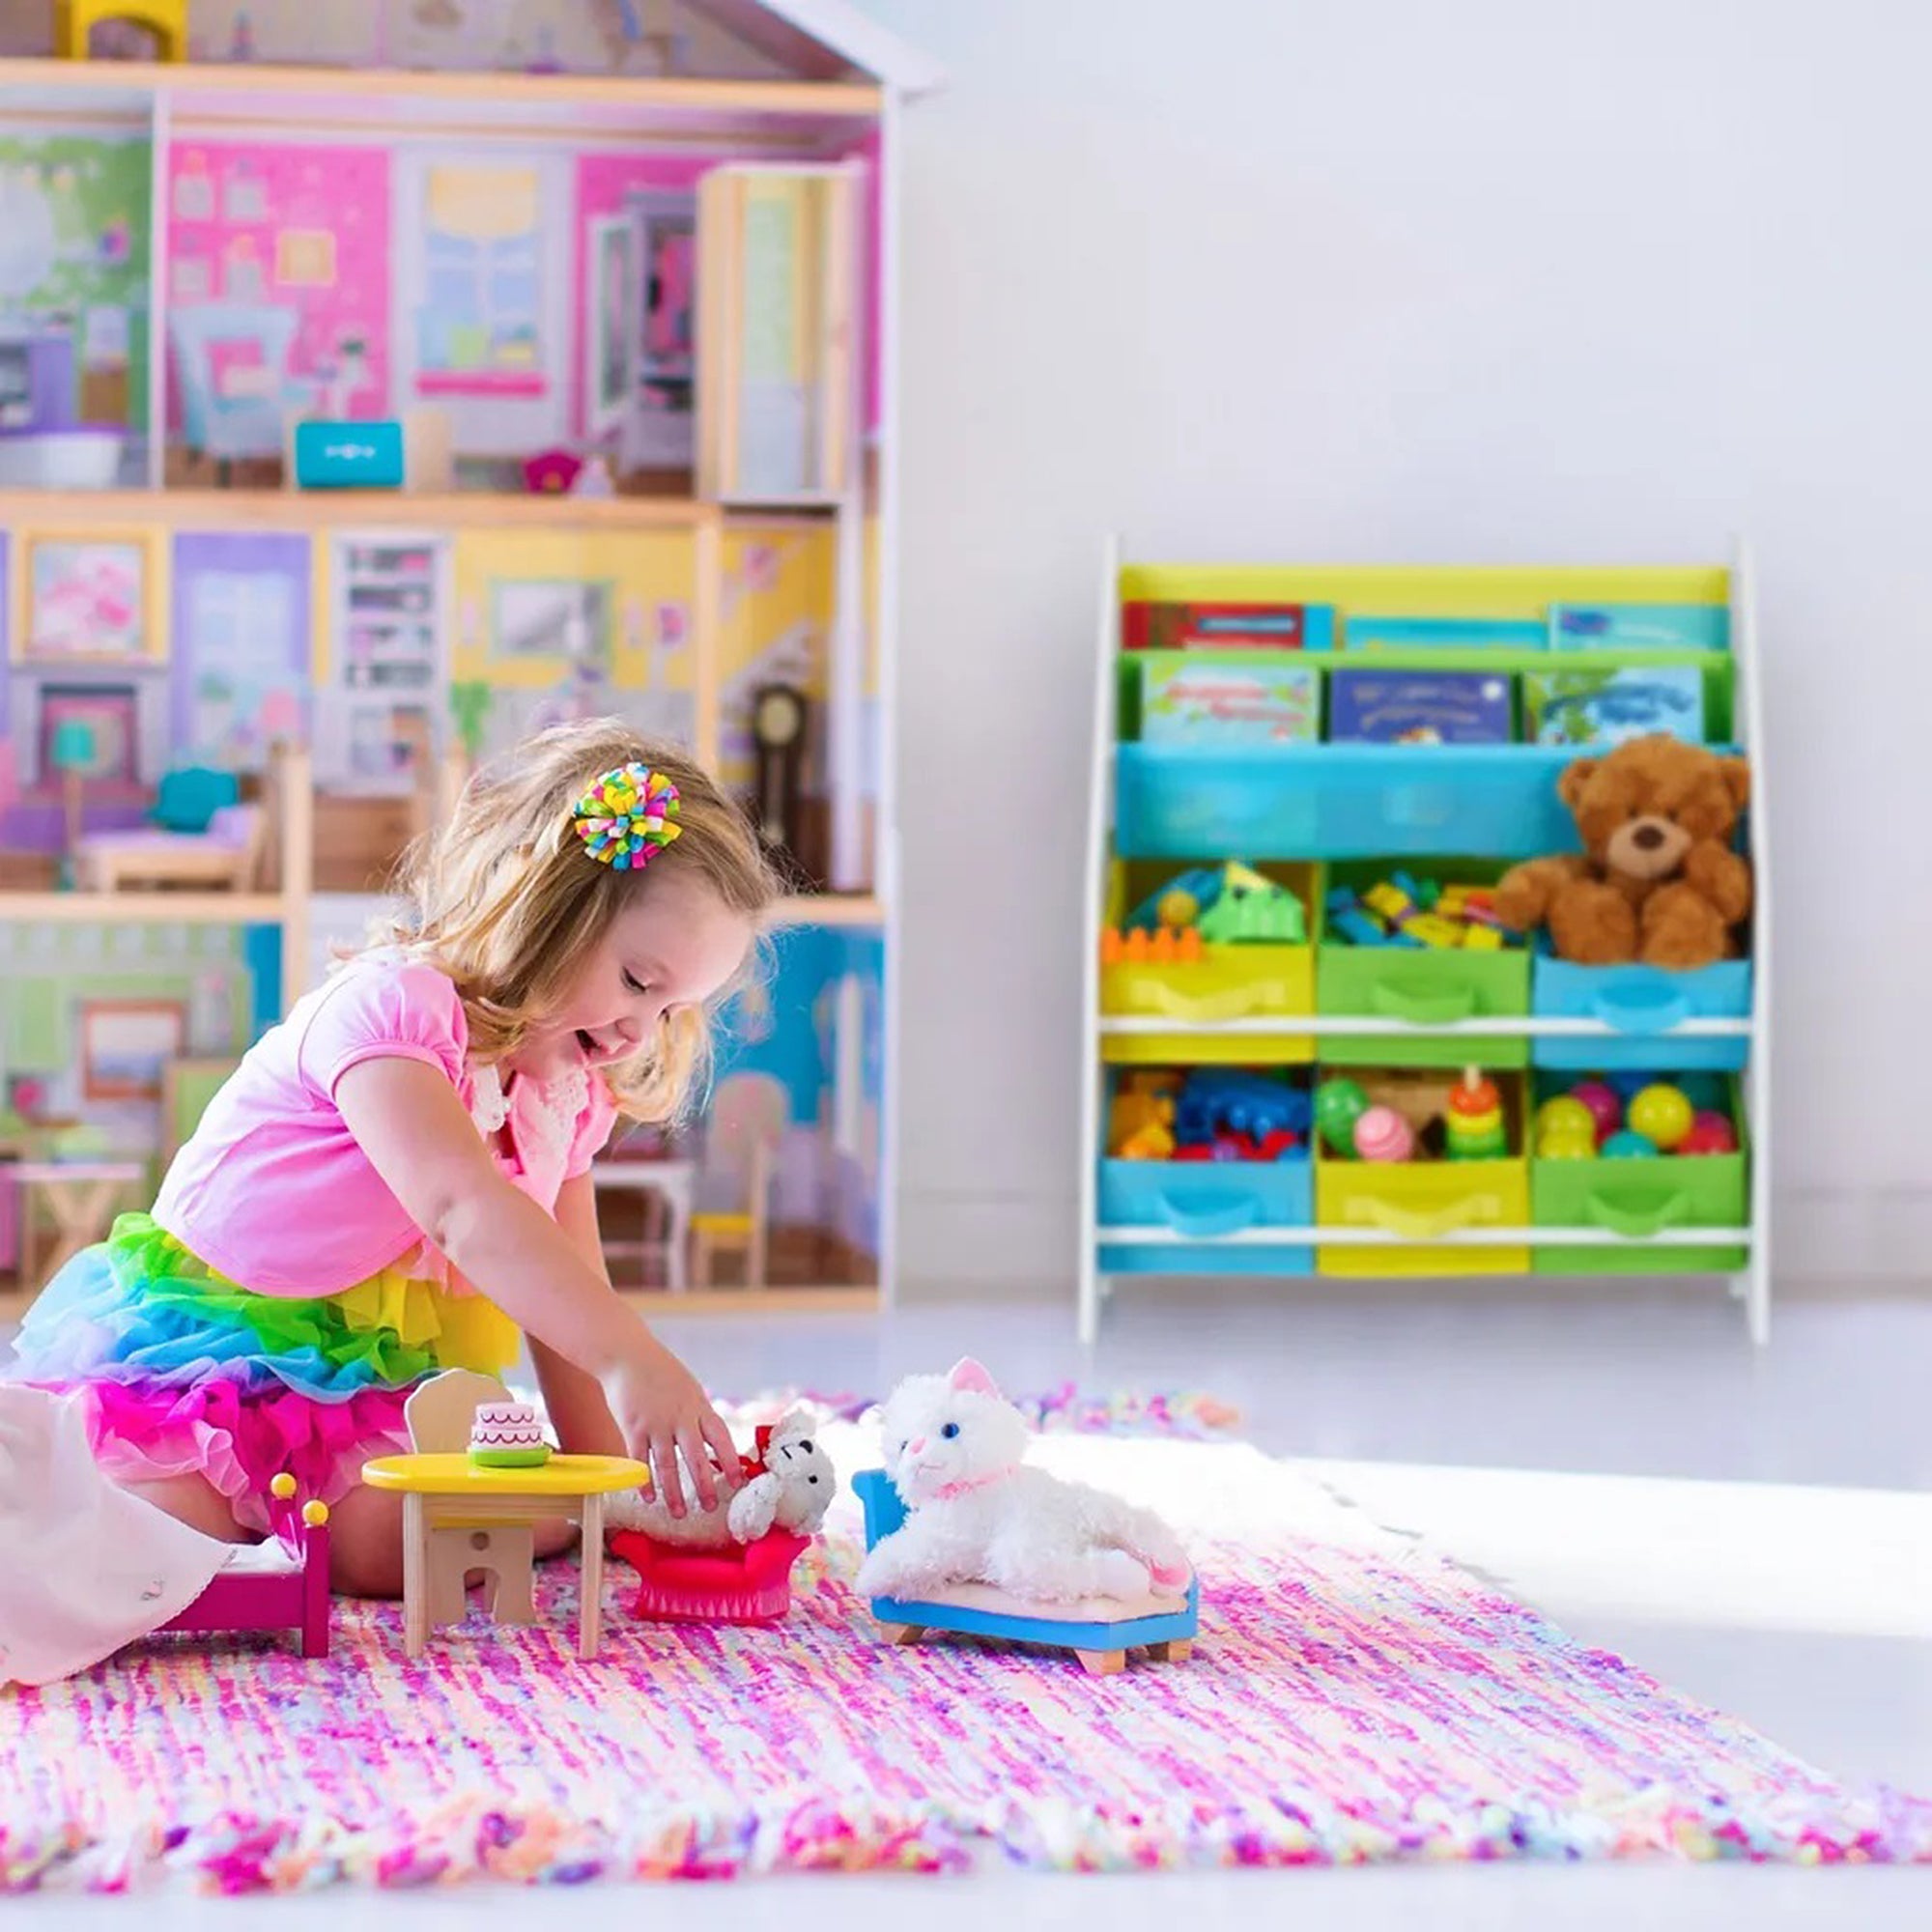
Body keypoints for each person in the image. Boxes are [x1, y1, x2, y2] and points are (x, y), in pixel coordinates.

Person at [10, 721, 778, 1595]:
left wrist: (623, 1494)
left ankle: (291, 1524)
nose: (642, 1031)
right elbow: (462, 1211)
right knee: (148, 1537)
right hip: (205, 1353)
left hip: (371, 1385)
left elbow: (569, 1295)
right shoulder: (391, 1013)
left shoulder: (566, 1096)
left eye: (672, 1010)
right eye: (638, 983)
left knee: (464, 1533)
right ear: (545, 907)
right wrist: (633, 1357)